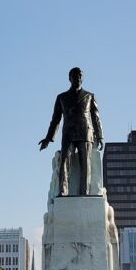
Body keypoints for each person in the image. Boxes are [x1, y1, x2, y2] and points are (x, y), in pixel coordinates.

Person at [38, 67, 104, 196]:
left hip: (86, 133)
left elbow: (96, 117)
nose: (77, 78)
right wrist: (48, 138)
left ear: (82, 78)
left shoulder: (89, 96)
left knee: (85, 164)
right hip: (68, 133)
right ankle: (63, 191)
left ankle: (84, 192)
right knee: (64, 162)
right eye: (75, 76)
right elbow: (55, 119)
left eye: (80, 76)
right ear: (70, 78)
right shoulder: (62, 97)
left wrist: (100, 135)